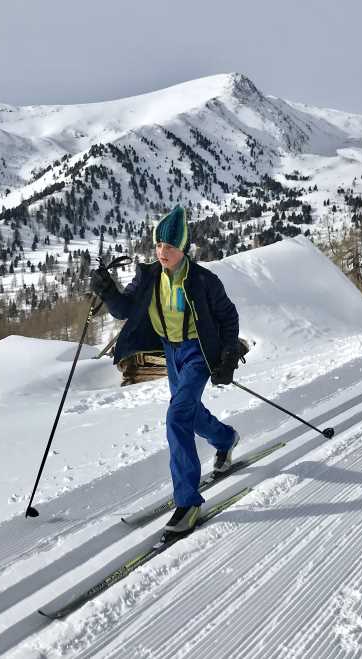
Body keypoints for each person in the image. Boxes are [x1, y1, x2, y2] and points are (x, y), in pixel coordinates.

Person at [91, 205, 242, 533]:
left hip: (198, 354)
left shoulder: (203, 281)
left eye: (170, 247)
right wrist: (107, 290)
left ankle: (188, 502)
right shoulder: (147, 278)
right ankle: (226, 438)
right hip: (170, 352)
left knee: (177, 416)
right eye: (159, 245)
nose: (162, 252)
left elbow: (228, 317)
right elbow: (124, 310)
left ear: (183, 248)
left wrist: (229, 353)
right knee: (189, 412)